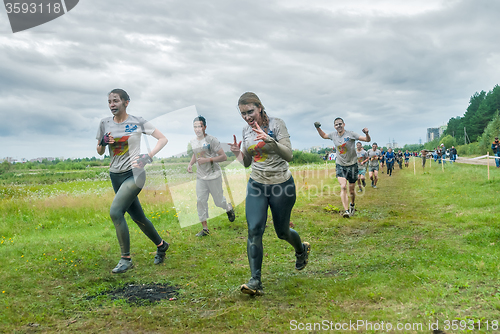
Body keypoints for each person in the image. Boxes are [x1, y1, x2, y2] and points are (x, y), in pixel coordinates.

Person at [230, 92, 310, 296]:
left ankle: (301, 249)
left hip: (281, 185)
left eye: (250, 112)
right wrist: (237, 154)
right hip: (257, 184)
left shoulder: (277, 124)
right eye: (242, 114)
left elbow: (289, 155)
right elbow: (248, 162)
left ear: (260, 108)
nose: (247, 117)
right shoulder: (245, 130)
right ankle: (255, 280)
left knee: (282, 232)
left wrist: (270, 141)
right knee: (254, 229)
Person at [96, 89, 169, 274]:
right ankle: (161, 245)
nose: (112, 104)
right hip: (115, 175)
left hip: (135, 173)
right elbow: (99, 151)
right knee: (137, 217)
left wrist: (148, 156)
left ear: (126, 102)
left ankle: (125, 258)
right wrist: (103, 142)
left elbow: (163, 139)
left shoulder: (137, 121)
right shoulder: (104, 123)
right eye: (109, 101)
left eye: (116, 101)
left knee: (115, 211)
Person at [187, 116, 235, 237]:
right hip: (200, 177)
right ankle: (205, 229)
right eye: (195, 126)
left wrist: (207, 160)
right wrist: (190, 164)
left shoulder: (212, 140)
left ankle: (228, 207)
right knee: (200, 201)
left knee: (218, 202)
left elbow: (224, 157)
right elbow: (195, 154)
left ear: (205, 127)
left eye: (200, 126)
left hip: (214, 176)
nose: (198, 129)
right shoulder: (193, 141)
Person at [315, 118, 371, 217]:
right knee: (343, 186)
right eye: (336, 125)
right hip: (340, 165)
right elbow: (324, 136)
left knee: (352, 190)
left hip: (352, 165)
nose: (339, 126)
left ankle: (352, 205)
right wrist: (318, 128)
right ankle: (346, 211)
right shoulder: (333, 135)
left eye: (340, 124)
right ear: (334, 126)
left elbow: (367, 140)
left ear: (344, 124)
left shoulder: (351, 134)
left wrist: (367, 133)